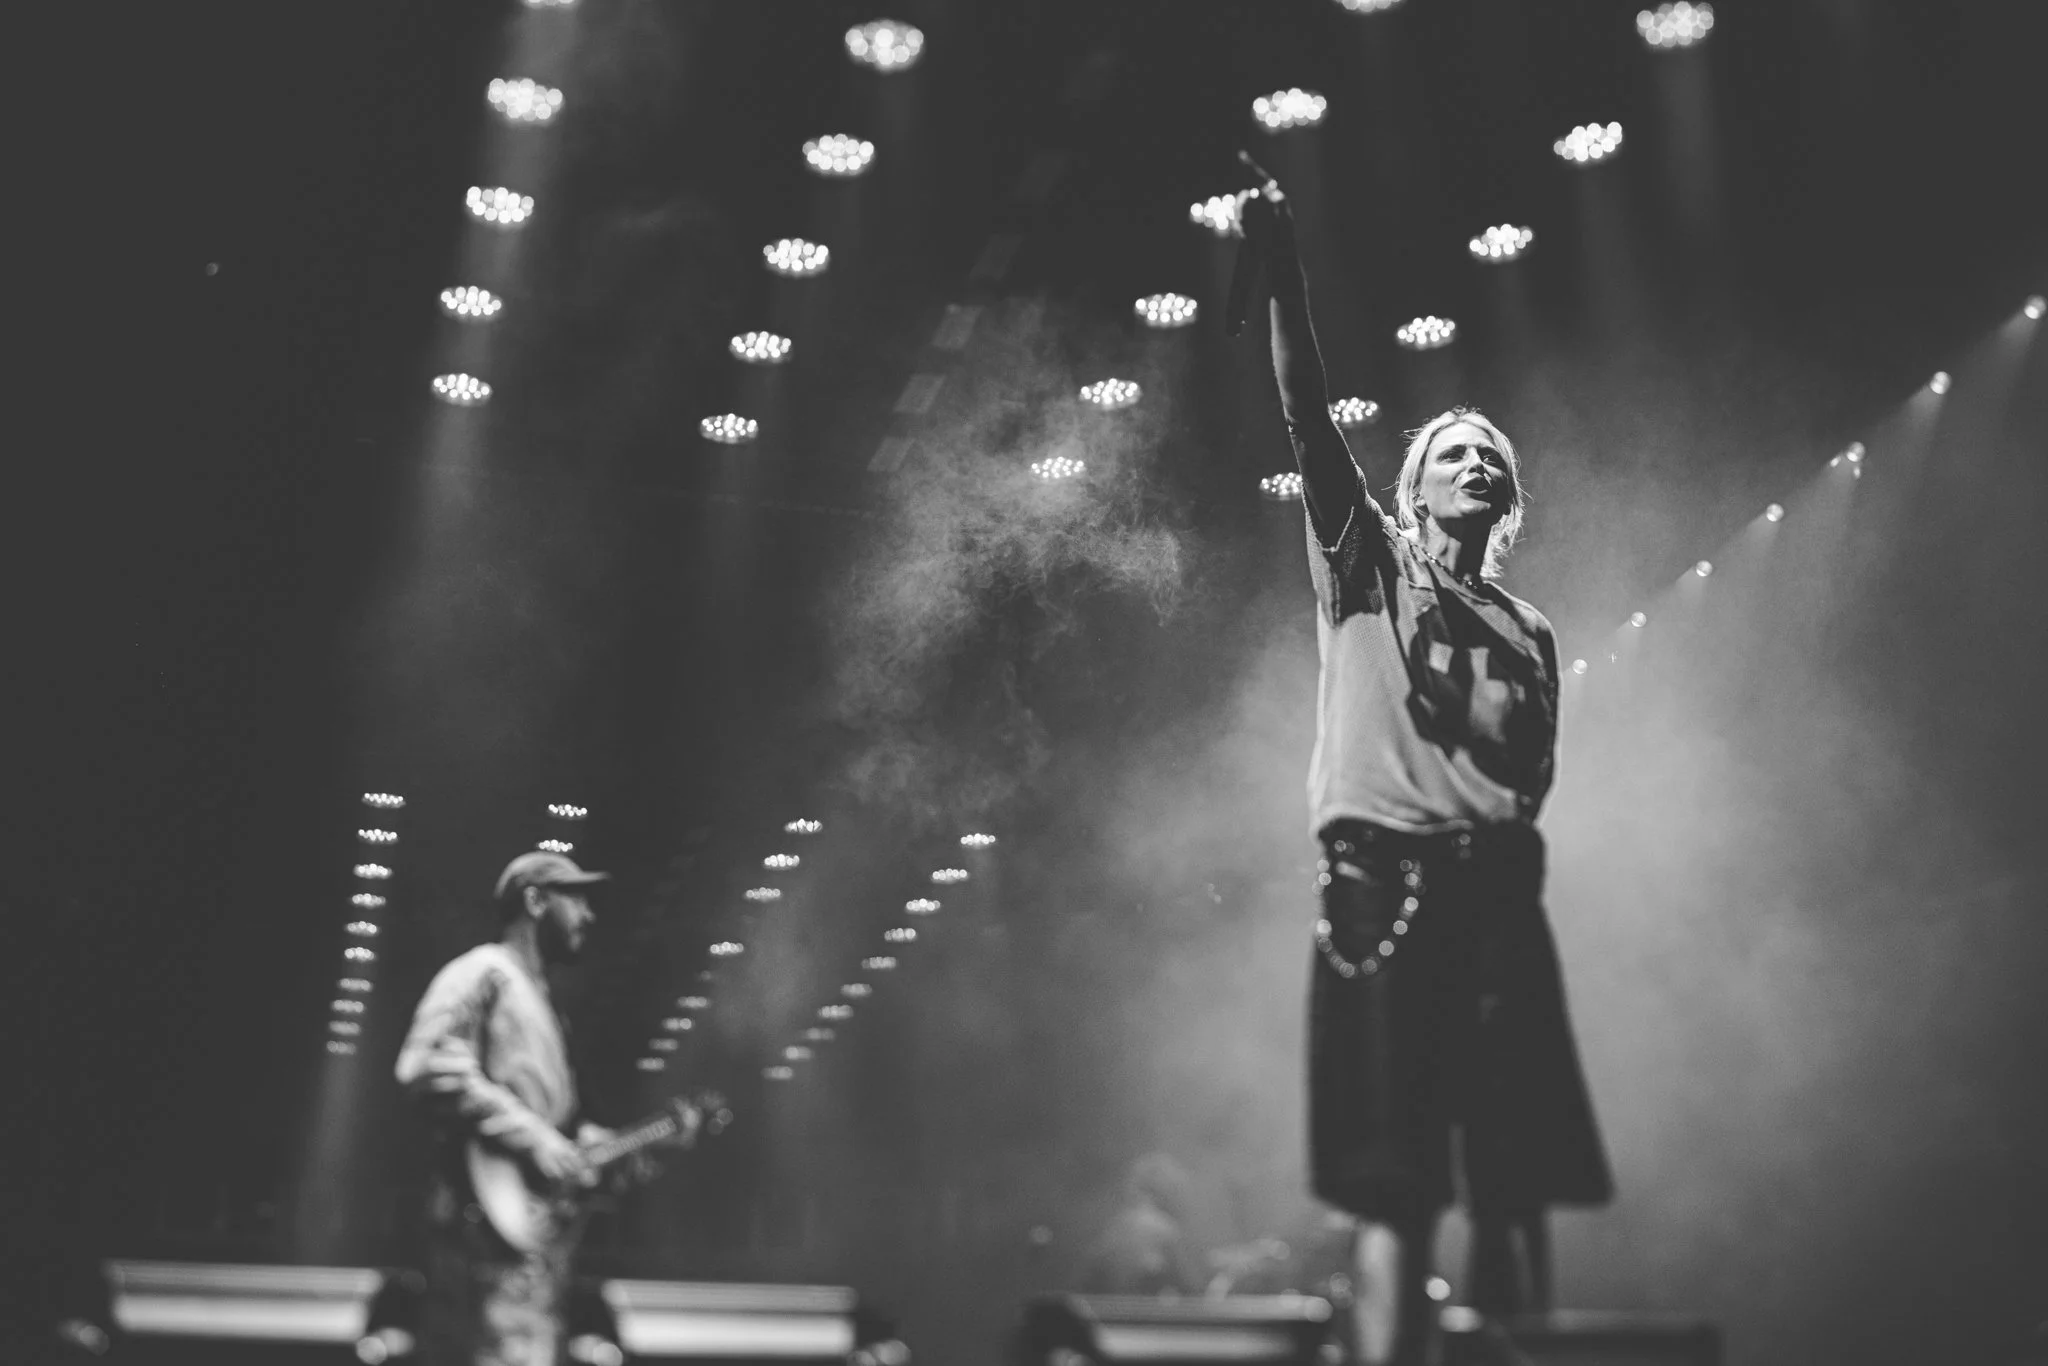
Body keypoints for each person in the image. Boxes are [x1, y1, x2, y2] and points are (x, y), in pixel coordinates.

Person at [1241, 182, 1614, 1365]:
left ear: (1508, 498)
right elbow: (1304, 412)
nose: (1475, 462)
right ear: (1414, 491)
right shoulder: (1365, 564)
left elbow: (1531, 772)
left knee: (1513, 1175)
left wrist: (1473, 724)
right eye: (1453, 453)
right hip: (1380, 879)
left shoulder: (1530, 626)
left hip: (1497, 884)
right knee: (1393, 1179)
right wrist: (1280, 264)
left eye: (1491, 454)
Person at [395, 850, 614, 1366]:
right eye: (575, 898)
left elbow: (552, 1127)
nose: (589, 914)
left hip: (527, 1249)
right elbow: (425, 1063)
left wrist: (591, 1148)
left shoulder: (541, 1002)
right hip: (484, 1241)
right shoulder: (482, 971)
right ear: (536, 900)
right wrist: (535, 1138)